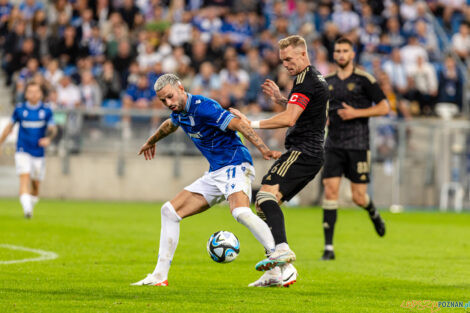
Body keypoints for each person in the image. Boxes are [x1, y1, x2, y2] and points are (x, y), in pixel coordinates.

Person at [131, 74, 282, 287]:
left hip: (235, 164)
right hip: (215, 172)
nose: (168, 103)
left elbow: (238, 123)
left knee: (239, 212)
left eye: (170, 97)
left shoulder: (204, 106)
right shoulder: (180, 112)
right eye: (163, 100)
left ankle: (278, 258)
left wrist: (264, 149)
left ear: (181, 88)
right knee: (169, 212)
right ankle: (159, 276)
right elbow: (169, 126)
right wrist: (150, 141)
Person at [230, 35, 329, 287]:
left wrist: (248, 123)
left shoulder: (305, 80)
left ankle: (282, 250)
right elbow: (304, 109)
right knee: (264, 208)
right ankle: (277, 272)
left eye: (288, 59)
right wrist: (283, 100)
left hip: (302, 151)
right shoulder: (311, 78)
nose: (285, 64)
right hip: (310, 152)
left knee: (264, 197)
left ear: (303, 54)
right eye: (282, 60)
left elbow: (289, 119)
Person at [321, 37, 389, 261]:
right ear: (334, 55)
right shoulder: (326, 81)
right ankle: (328, 248)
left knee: (358, 197)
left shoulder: (364, 80)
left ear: (352, 55)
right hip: (333, 145)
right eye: (337, 50)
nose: (341, 54)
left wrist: (356, 113)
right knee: (330, 191)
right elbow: (319, 108)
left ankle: (373, 212)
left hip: (358, 145)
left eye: (345, 51)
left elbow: (384, 107)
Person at [0, 82, 57, 218]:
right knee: (24, 177)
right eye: (30, 91)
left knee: (35, 184)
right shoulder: (19, 110)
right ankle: (27, 211)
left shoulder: (46, 110)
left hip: (38, 152)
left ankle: (30, 202)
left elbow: (52, 129)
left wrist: (48, 138)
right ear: (26, 94)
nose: (33, 94)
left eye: (36, 91)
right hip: (22, 149)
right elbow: (9, 127)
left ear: (41, 94)